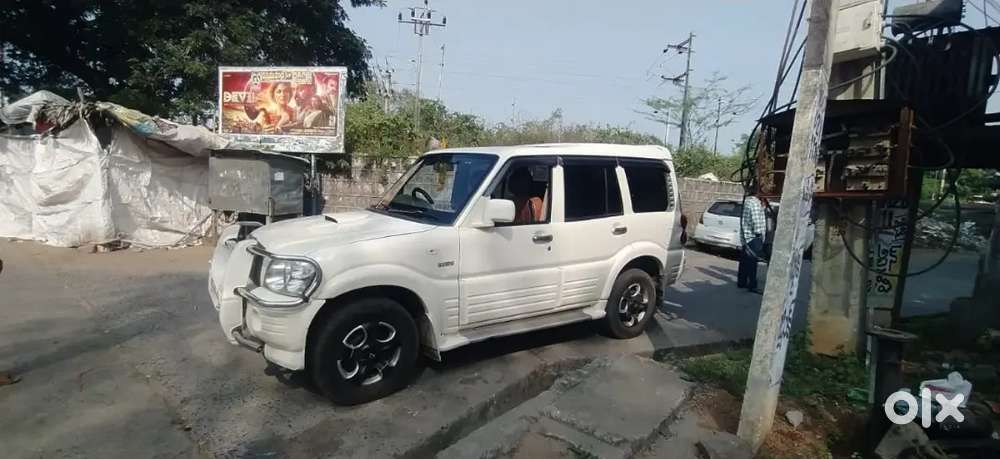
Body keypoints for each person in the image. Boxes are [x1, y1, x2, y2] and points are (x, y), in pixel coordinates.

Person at [738, 194, 768, 294]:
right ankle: (752, 285)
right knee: (752, 262)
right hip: (753, 237)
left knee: (744, 261)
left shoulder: (747, 201)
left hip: (746, 236)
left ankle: (741, 282)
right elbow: (756, 220)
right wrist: (759, 234)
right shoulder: (754, 203)